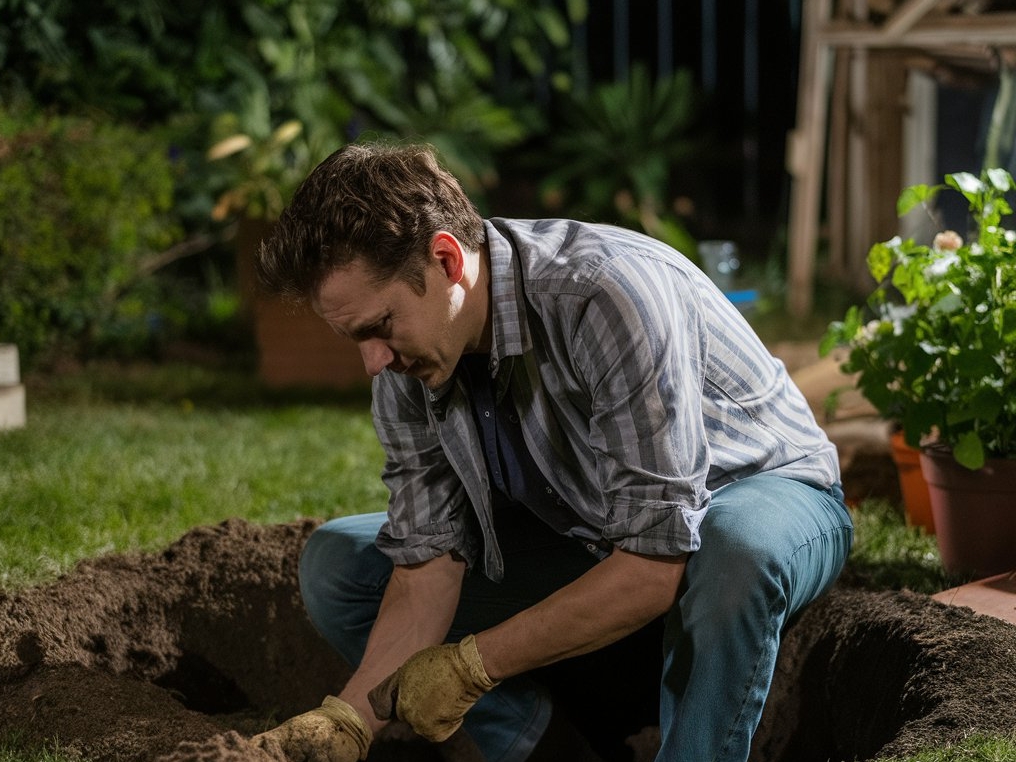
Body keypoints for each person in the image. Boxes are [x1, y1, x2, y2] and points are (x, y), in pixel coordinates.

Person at [251, 142, 853, 762]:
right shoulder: (408, 364)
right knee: (341, 566)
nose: (372, 361)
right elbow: (426, 565)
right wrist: (348, 721)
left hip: (761, 495)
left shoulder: (603, 295)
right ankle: (546, 749)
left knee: (735, 549)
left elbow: (652, 562)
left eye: (379, 327)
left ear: (446, 259)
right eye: (356, 339)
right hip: (592, 529)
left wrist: (470, 667)